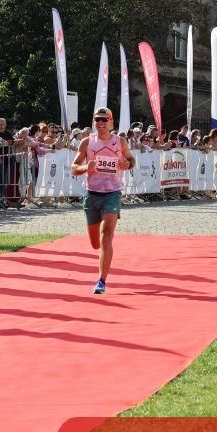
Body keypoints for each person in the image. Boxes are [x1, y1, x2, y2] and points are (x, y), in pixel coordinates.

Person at [70, 107, 135, 295]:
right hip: (92, 194)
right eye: (97, 119)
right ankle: (102, 253)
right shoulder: (87, 142)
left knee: (106, 235)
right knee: (95, 243)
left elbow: (132, 160)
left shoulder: (120, 142)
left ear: (111, 122)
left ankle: (101, 281)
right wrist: (86, 168)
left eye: (104, 119)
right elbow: (74, 167)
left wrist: (127, 164)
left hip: (112, 193)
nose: (100, 123)